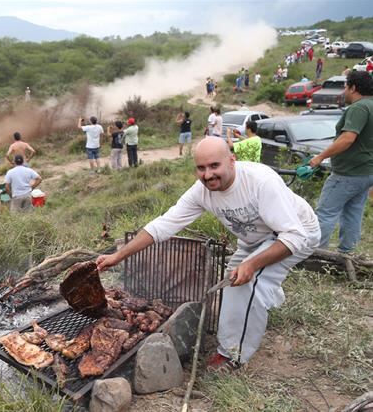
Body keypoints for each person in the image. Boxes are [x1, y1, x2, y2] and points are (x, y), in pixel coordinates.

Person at [96, 137, 320, 370]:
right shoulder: (201, 192)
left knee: (245, 284)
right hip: (256, 239)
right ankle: (265, 294)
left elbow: (294, 236)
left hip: (295, 233)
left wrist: (252, 265)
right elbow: (162, 226)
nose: (208, 175)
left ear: (232, 161)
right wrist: (118, 256)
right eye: (201, 168)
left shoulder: (260, 182)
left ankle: (233, 355)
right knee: (233, 279)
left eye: (215, 166)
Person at [309, 71, 373, 253]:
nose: (344, 91)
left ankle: (315, 254)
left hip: (348, 173)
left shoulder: (359, 108)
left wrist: (320, 156)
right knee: (353, 213)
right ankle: (346, 254)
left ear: (353, 88)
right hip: (366, 172)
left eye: (346, 86)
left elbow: (348, 138)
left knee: (325, 214)